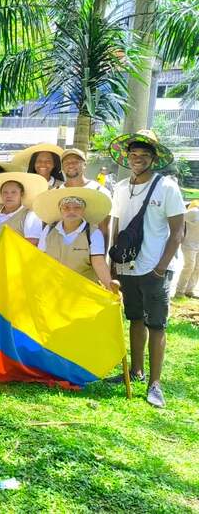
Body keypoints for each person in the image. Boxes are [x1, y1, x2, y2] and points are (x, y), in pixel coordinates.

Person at [107, 129, 184, 408]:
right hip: (127, 268)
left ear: (153, 158)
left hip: (155, 268)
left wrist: (160, 269)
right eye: (133, 154)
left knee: (157, 325)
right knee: (135, 319)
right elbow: (116, 227)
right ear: (127, 157)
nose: (137, 158)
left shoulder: (166, 187)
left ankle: (155, 383)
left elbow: (178, 232)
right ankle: (136, 371)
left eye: (144, 154)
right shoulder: (120, 188)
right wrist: (113, 265)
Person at [32, 188, 114, 290]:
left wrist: (111, 289)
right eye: (66, 207)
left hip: (82, 290)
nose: (71, 211)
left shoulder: (93, 233)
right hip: (52, 288)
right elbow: (41, 259)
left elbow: (99, 263)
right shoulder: (49, 230)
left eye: (77, 207)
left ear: (83, 210)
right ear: (60, 210)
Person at [0, 172, 48, 273]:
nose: (9, 196)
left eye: (13, 192)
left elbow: (32, 243)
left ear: (21, 194)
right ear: (1, 194)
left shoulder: (30, 214)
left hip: (15, 268)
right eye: (5, 192)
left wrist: (3, 259)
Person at [177, 200, 199, 298]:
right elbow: (179, 217)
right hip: (189, 245)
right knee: (189, 267)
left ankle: (189, 291)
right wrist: (180, 232)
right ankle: (179, 291)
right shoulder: (194, 211)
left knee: (197, 268)